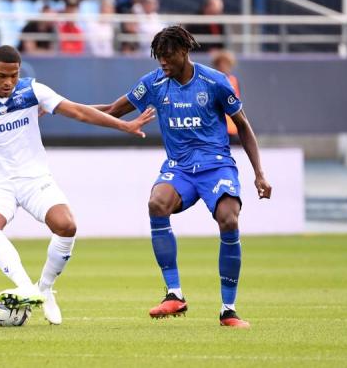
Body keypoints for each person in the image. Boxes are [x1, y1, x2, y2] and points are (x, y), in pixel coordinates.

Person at [0, 45, 154, 324]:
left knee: (67, 226)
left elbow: (77, 111)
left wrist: (123, 125)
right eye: (2, 75)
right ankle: (26, 288)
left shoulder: (32, 90)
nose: (9, 82)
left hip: (34, 178)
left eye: (14, 75)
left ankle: (44, 288)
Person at [96, 26, 272, 328]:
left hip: (216, 166)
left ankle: (228, 310)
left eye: (168, 56)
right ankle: (174, 294)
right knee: (157, 203)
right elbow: (113, 110)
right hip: (179, 167)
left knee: (229, 219)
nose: (162, 62)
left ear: (184, 51)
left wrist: (259, 174)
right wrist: (61, 108)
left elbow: (243, 125)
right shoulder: (153, 83)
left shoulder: (215, 81)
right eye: (158, 57)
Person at [211, 50, 242, 137]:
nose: (223, 66)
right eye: (220, 64)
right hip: (216, 127)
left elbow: (236, 104)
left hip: (232, 127)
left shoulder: (234, 80)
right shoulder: (211, 80)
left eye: (226, 64)